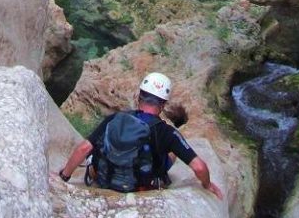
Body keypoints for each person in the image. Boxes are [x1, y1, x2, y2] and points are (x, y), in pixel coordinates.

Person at [56, 73, 224, 199]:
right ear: (163, 105)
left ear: (139, 96)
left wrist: (64, 176)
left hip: (102, 178)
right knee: (172, 152)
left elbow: (84, 148)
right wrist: (207, 184)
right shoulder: (167, 132)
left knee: (97, 151)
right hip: (139, 187)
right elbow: (199, 167)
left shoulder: (115, 118)